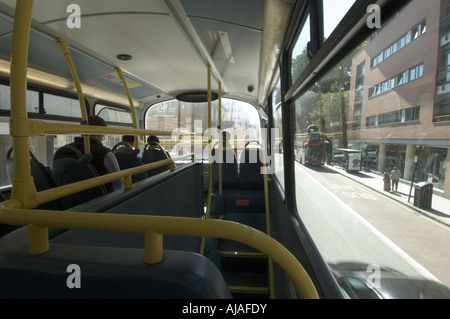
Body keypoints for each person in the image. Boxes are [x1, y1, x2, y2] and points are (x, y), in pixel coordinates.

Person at [65, 115, 120, 193]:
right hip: (104, 201)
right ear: (99, 133)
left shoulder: (63, 151)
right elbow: (118, 185)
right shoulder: (105, 154)